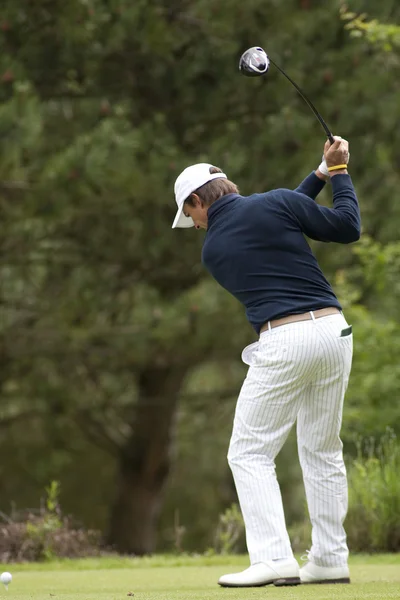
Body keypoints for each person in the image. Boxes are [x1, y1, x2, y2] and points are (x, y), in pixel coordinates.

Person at [171, 137, 360, 587]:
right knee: (322, 449)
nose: (195, 225)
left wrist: (322, 172)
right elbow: (343, 225)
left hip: (285, 340)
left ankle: (275, 558)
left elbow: (275, 213)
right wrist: (338, 174)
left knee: (249, 452)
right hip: (335, 333)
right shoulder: (274, 203)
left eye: (190, 214)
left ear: (200, 201)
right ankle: (331, 558)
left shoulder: (213, 251)